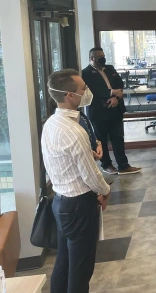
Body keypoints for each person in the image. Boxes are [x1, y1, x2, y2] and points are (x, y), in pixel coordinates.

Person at [42, 69, 111, 293]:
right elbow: (91, 175)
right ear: (69, 95)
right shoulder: (74, 131)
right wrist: (105, 190)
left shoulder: (50, 124)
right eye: (83, 89)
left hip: (60, 202)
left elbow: (57, 162)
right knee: (81, 271)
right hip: (80, 205)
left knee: (63, 264)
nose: (86, 92)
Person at [82, 47, 140, 175]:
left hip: (115, 108)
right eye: (99, 56)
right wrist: (111, 92)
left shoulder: (110, 69)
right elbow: (94, 90)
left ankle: (123, 165)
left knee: (118, 138)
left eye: (103, 55)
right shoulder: (85, 73)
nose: (103, 58)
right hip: (99, 112)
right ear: (92, 58)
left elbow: (119, 84)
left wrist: (115, 97)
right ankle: (107, 164)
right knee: (101, 139)